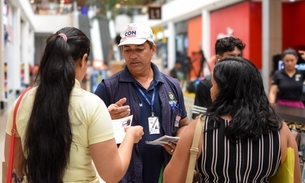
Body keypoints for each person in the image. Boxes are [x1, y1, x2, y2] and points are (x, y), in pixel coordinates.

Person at [4, 27, 144, 183]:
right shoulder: (92, 105)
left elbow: (14, 164)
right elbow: (112, 174)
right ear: (83, 60)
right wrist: (130, 136)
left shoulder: (21, 102)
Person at [163, 57, 301, 183]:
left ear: (225, 90)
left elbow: (172, 179)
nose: (210, 90)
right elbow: (294, 179)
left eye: (213, 85)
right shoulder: (279, 129)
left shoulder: (200, 128)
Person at [94, 23, 189, 183]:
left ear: (153, 49)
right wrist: (107, 119)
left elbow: (184, 124)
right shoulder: (108, 88)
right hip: (125, 176)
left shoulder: (172, 86)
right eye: (127, 50)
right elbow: (90, 135)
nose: (133, 55)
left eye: (139, 49)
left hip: (165, 173)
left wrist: (179, 142)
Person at [192, 36, 246, 119]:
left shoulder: (246, 81)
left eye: (239, 56)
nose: (237, 60)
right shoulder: (205, 85)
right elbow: (198, 119)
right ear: (218, 58)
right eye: (231, 56)